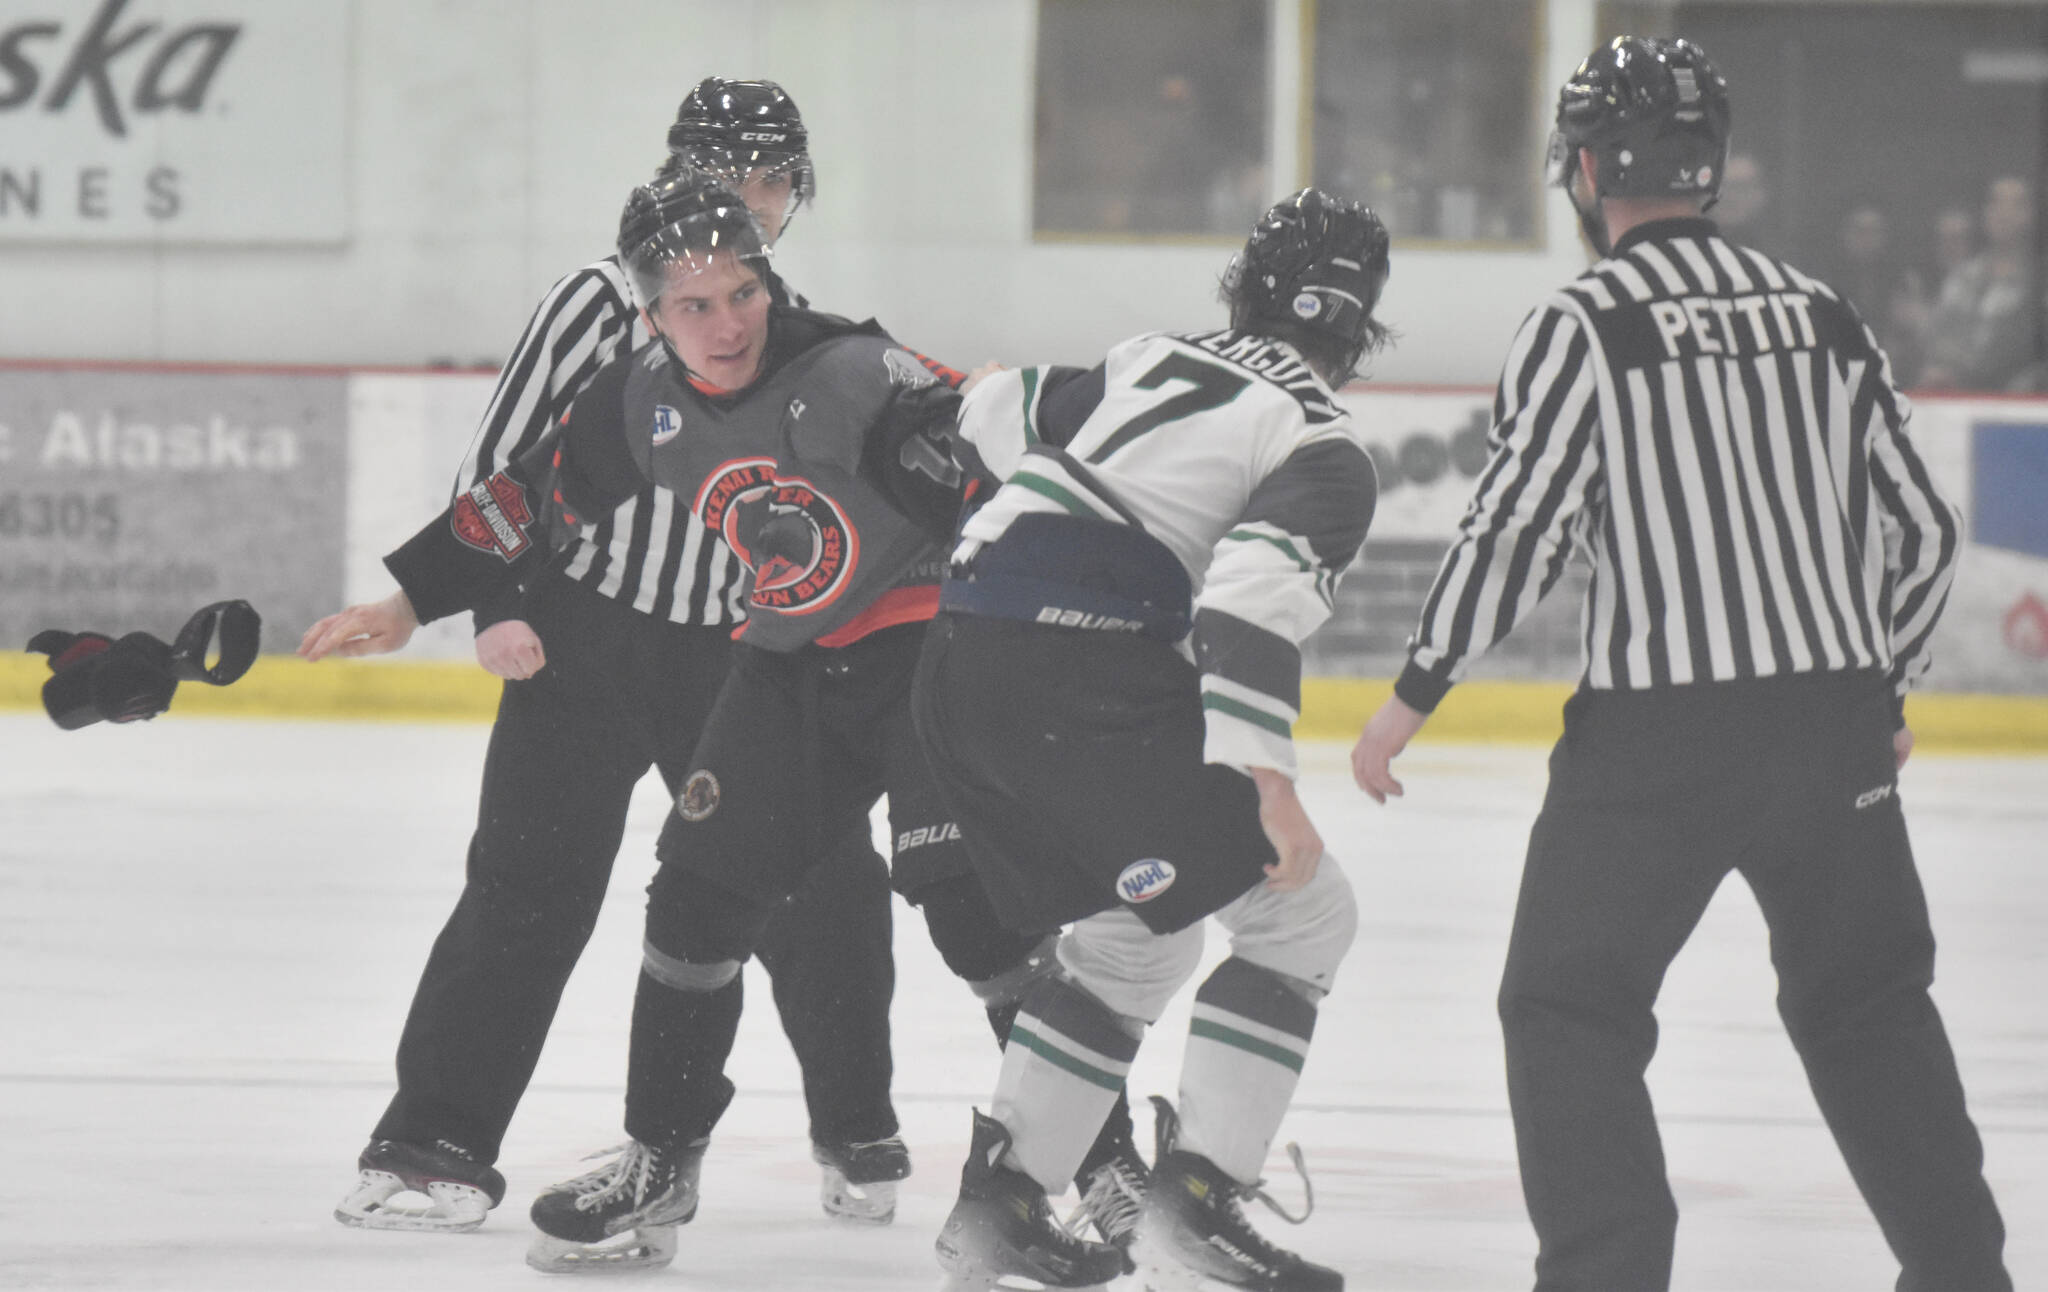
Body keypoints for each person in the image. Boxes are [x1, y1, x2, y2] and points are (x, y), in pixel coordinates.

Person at [315, 169, 1149, 1274]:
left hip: (921, 659)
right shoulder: (638, 401)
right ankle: (659, 1160)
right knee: (695, 903)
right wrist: (406, 600)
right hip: (788, 665)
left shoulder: (851, 370)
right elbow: (524, 499)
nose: (723, 323)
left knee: (977, 923)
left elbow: (997, 438)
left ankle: (1109, 1169)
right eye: (692, 304)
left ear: (768, 282)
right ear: (649, 313)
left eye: (740, 294)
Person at [1350, 37, 2011, 1292]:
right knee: (1866, 1005)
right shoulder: (1823, 311)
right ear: (1707, 165)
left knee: (1566, 1007)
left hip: (1655, 739)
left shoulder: (1580, 321)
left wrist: (1410, 693)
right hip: (1828, 725)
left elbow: (1517, 526)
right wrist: (1884, 689)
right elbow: (1920, 531)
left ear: (1589, 167)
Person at [302, 79, 908, 1235]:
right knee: (527, 887)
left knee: (824, 886)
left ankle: (857, 1125)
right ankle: (433, 1141)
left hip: (737, 656)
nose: (755, 201)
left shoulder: (789, 325)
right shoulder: (597, 295)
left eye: (773, 180)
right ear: (683, 169)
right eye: (736, 174)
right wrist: (492, 604)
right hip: (575, 640)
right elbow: (511, 455)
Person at [915, 188, 1391, 1292]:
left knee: (1135, 937)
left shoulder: (1147, 354)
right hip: (1083, 671)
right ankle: (1196, 1205)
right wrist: (1265, 784)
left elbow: (996, 410)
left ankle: (1000, 1207)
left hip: (955, 663)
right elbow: (1244, 607)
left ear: (1244, 292)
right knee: (1298, 911)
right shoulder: (1322, 439)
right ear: (1356, 330)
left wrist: (984, 384)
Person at [1920, 174, 2041, 390]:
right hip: (1958, 400)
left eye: (2015, 204)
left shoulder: (2040, 282)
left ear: (2030, 214)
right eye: (1996, 203)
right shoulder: (1963, 277)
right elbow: (1938, 339)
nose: (2004, 213)